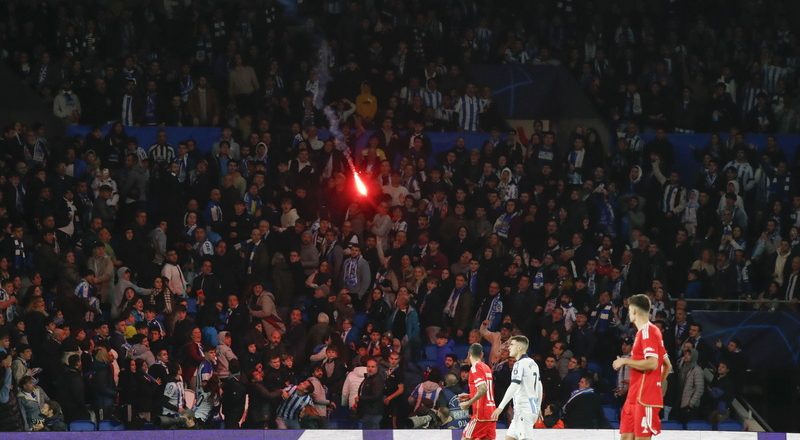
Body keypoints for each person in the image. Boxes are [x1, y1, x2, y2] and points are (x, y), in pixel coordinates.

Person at [613, 294, 673, 440]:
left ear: (634, 311)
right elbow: (667, 364)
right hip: (634, 396)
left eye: (628, 310)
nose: (628, 313)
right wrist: (657, 383)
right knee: (626, 438)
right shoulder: (646, 332)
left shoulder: (648, 331)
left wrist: (624, 362)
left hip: (644, 398)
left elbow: (652, 363)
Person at [491, 335, 541, 440]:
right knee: (509, 438)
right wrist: (538, 406)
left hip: (524, 410)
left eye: (512, 345)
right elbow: (539, 386)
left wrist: (500, 407)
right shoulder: (533, 363)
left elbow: (514, 385)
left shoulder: (519, 364)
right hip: (526, 409)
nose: (509, 347)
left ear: (519, 348)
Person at [458, 343, 496, 440]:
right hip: (491, 412)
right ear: (482, 354)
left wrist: (468, 403)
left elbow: (483, 389)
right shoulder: (487, 367)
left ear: (469, 353)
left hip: (481, 412)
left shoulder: (475, 367)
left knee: (466, 437)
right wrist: (470, 395)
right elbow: (486, 391)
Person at [355, 358, 384, 429]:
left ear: (377, 367)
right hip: (368, 411)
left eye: (372, 367)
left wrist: (360, 398)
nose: (370, 368)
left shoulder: (377, 379)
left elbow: (376, 396)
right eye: (368, 366)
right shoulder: (369, 378)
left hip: (373, 412)